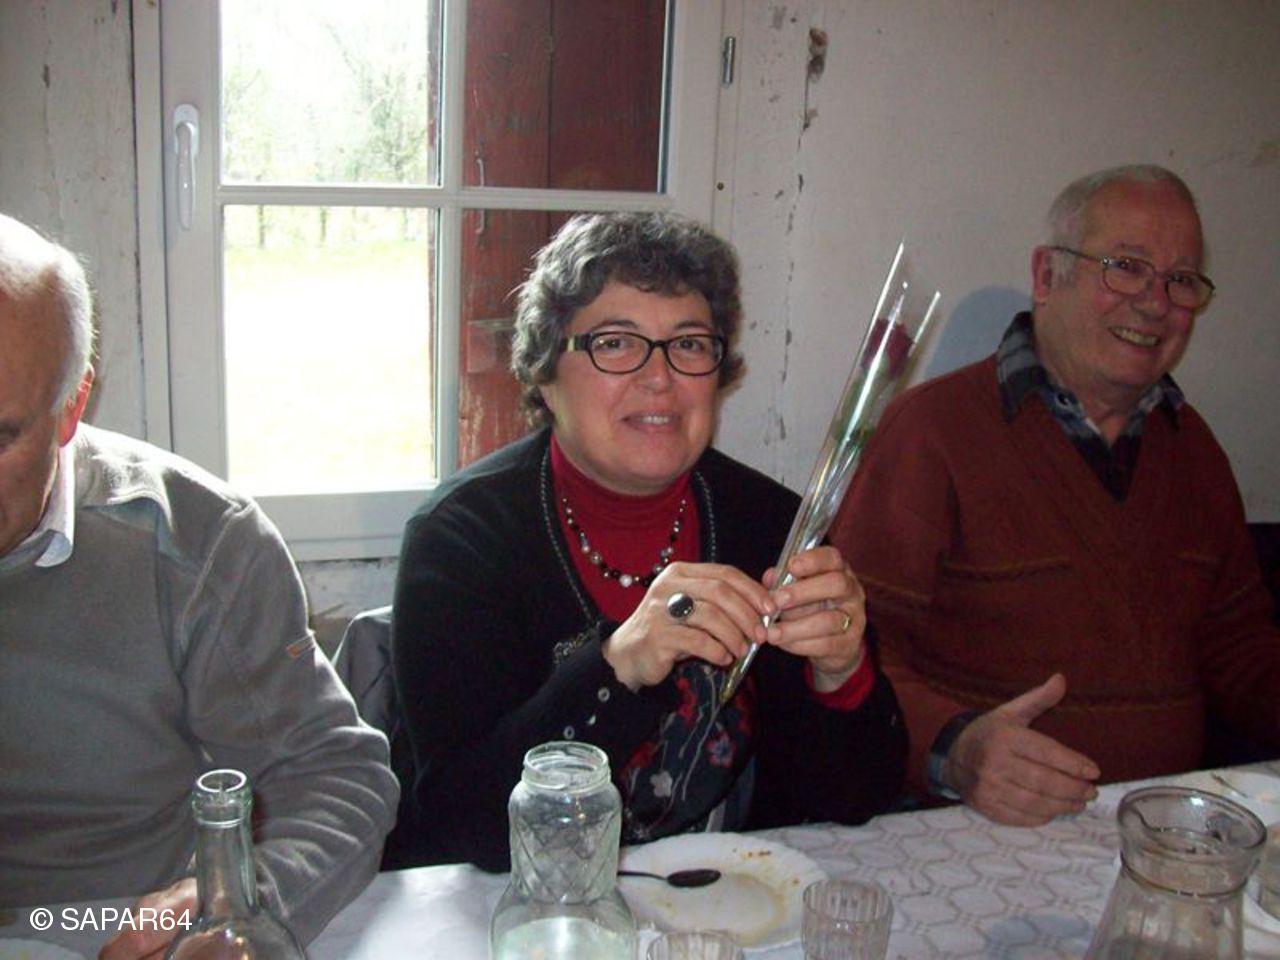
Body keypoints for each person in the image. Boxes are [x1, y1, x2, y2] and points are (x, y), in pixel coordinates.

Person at [388, 211, 907, 870]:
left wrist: (840, 673)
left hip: (722, 901)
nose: (660, 377)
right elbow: (467, 827)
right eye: (615, 343)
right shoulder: (463, 541)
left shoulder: (772, 528)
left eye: (688, 344)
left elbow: (853, 801)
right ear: (545, 372)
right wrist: (618, 665)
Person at [830, 164, 1280, 827]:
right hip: (977, 830)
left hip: (1163, 833)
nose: (1155, 303)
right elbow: (846, 655)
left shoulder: (1195, 450)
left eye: (1181, 280)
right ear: (1047, 276)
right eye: (1126, 267)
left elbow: (1237, 650)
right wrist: (956, 747)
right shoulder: (931, 432)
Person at [0, 212, 399, 954]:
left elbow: (336, 776)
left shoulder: (196, 544)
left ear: (70, 408)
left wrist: (234, 906)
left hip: (106, 926)